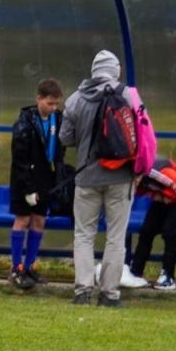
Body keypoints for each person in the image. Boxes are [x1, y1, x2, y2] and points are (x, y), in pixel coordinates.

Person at [60, 50, 138, 308]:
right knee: (116, 236)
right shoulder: (128, 95)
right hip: (121, 177)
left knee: (83, 235)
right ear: (115, 70)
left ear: (94, 70)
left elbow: (65, 138)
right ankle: (109, 294)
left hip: (86, 177)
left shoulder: (75, 99)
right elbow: (141, 134)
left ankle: (83, 291)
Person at [6, 78, 64, 290]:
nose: (54, 108)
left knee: (39, 220)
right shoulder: (24, 123)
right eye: (50, 103)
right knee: (22, 219)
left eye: (57, 104)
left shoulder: (59, 119)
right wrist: (28, 188)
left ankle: (29, 266)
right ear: (39, 98)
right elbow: (19, 160)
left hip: (45, 178)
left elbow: (60, 149)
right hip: (25, 178)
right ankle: (16, 268)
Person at [130, 156, 176, 291]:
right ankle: (135, 272)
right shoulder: (137, 177)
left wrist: (166, 196)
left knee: (169, 233)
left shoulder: (156, 171)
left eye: (134, 179)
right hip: (162, 195)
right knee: (146, 231)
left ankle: (168, 276)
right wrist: (156, 195)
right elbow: (142, 190)